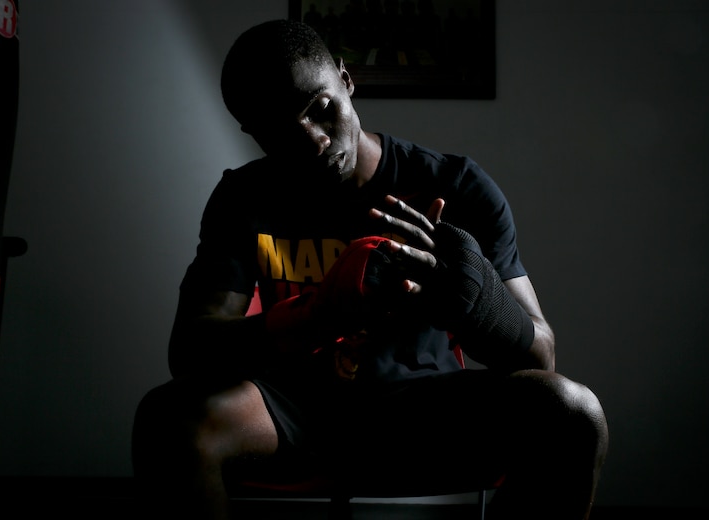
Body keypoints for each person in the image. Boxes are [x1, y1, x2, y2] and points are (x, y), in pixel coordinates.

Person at [131, 19, 609, 519]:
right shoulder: (243, 198)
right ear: (252, 131)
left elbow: (540, 355)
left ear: (346, 78)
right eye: (279, 129)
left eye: (322, 108)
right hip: (294, 408)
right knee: (170, 418)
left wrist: (472, 297)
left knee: (572, 413)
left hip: (427, 407)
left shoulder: (455, 185)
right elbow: (189, 350)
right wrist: (315, 315)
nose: (314, 140)